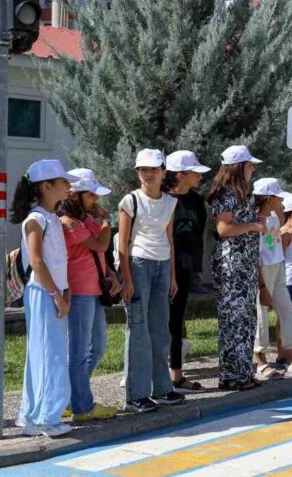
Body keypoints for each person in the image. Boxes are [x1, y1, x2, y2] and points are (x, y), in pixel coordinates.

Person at [12, 160, 77, 437]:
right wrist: (56, 295)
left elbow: (55, 260)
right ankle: (44, 418)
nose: (67, 185)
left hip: (52, 291)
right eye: (62, 181)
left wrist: (65, 290)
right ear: (46, 186)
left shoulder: (50, 217)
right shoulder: (36, 219)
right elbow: (37, 261)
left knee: (46, 353)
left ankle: (31, 415)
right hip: (42, 292)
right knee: (49, 355)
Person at [119, 149, 185, 412]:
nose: (148, 174)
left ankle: (162, 387)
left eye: (153, 169)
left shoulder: (170, 202)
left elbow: (169, 239)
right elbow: (123, 243)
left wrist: (172, 275)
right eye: (143, 169)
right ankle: (135, 394)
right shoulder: (130, 201)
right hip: (138, 264)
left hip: (162, 264)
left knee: (160, 328)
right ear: (137, 173)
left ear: (163, 172)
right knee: (138, 328)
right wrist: (126, 278)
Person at [59, 168, 119, 422]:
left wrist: (112, 274)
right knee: (80, 350)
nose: (96, 200)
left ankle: (71, 397)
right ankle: (81, 406)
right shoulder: (68, 222)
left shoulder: (86, 220)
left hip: (95, 289)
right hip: (80, 290)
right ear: (75, 194)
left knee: (99, 346)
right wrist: (107, 224)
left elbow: (100, 255)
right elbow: (100, 245)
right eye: (91, 195)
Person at [207, 145, 265, 391]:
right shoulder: (227, 194)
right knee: (234, 320)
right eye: (250, 165)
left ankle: (243, 372)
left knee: (245, 319)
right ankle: (231, 375)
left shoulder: (241, 194)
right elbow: (223, 230)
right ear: (239, 167)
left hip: (244, 264)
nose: (253, 169)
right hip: (232, 265)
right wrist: (252, 225)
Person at [163, 150, 210, 394]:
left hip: (184, 268)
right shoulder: (161, 198)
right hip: (161, 266)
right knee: (159, 321)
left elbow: (198, 231)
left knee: (177, 320)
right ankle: (152, 372)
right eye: (195, 172)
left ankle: (176, 375)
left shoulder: (196, 200)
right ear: (180, 175)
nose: (200, 176)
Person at [252, 178, 292, 379]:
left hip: (278, 266)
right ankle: (260, 361)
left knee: (289, 312)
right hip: (263, 270)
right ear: (268, 198)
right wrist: (262, 285)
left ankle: (289, 356)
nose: (281, 200)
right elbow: (254, 256)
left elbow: (275, 244)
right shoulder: (255, 220)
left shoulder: (274, 217)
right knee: (261, 316)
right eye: (277, 196)